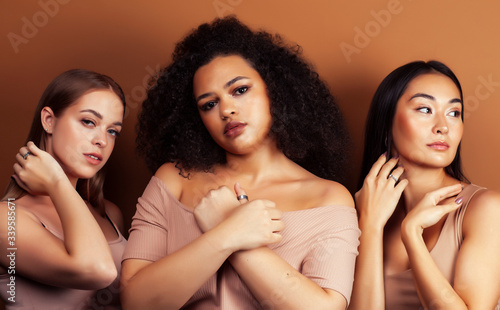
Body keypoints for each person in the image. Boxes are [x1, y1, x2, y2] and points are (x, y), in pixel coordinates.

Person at [121, 16, 360, 309]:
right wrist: (226, 235)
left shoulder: (327, 198)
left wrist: (231, 230)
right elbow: (135, 301)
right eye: (209, 104)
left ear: (275, 90)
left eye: (240, 90)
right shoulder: (173, 179)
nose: (227, 110)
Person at [349, 60, 500, 309]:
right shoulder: (359, 213)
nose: (443, 127)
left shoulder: (484, 209)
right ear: (386, 125)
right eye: (425, 109)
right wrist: (371, 226)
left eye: (454, 113)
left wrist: (412, 234)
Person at [0, 69, 128, 309]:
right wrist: (56, 182)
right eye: (89, 121)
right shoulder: (6, 218)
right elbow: (99, 270)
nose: (102, 140)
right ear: (49, 120)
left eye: (112, 131)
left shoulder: (109, 214)